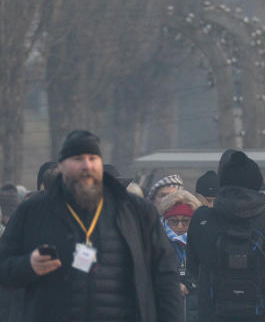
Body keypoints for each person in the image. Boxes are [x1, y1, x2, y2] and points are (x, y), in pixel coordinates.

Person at [0, 129, 183, 322]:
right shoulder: (34, 212)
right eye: (78, 159)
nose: (86, 165)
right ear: (61, 166)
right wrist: (28, 265)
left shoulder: (136, 212)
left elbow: (166, 279)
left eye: (92, 158)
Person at [187, 149, 265, 322]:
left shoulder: (202, 220)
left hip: (214, 314)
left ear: (223, 183)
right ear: (257, 184)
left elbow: (192, 266)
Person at [158, 190, 203, 322]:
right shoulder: (156, 243)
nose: (179, 226)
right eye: (174, 221)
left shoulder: (201, 240)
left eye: (185, 221)